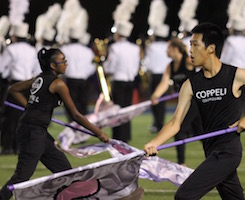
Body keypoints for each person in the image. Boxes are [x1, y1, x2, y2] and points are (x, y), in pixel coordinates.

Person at [144, 22, 245, 199]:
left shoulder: (235, 75)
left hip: (227, 151)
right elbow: (175, 122)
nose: (190, 50)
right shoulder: (190, 84)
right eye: (190, 45)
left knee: (184, 196)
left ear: (211, 48)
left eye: (195, 45)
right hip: (210, 150)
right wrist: (155, 143)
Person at [0, 48, 109, 200]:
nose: (66, 64)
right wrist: (99, 133)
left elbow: (14, 89)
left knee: (65, 172)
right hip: (32, 132)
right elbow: (76, 115)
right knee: (21, 178)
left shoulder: (39, 78)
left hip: (40, 133)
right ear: (53, 65)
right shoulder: (58, 84)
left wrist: (30, 107)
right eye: (62, 61)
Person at [151, 37, 202, 165]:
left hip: (195, 101)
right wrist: (156, 95)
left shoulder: (188, 61)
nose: (166, 51)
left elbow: (204, 67)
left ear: (174, 49)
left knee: (179, 129)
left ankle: (181, 163)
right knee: (200, 131)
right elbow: (164, 82)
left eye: (168, 48)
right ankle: (214, 156)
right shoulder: (171, 66)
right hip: (184, 102)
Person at [0, 23, 41, 154]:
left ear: (15, 36)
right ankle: (20, 146)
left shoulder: (11, 49)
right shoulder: (32, 50)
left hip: (14, 85)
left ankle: (8, 147)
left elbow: (2, 68)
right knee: (24, 117)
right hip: (29, 85)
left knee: (9, 117)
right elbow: (36, 70)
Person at [103, 21, 140, 143]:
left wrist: (104, 65)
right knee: (127, 110)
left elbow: (110, 67)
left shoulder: (114, 47)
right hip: (130, 81)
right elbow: (136, 66)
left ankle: (118, 136)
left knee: (117, 110)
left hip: (118, 81)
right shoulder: (135, 48)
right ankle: (126, 136)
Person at [143, 26, 171, 133]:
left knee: (154, 100)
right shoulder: (167, 45)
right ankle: (160, 123)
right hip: (166, 75)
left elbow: (148, 63)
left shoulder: (152, 46)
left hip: (155, 76)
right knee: (162, 102)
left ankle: (157, 124)